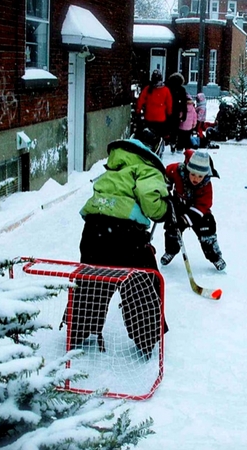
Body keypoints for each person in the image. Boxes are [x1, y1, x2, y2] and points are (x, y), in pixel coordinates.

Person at [69, 129, 170, 359]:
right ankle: (147, 337)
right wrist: (165, 209)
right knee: (142, 281)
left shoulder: (114, 165)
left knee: (92, 280)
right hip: (126, 235)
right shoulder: (147, 167)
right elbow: (149, 197)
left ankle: (79, 328)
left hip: (94, 231)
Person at [161, 150, 226, 271]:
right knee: (171, 229)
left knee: (207, 231)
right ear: (187, 169)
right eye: (193, 174)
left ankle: (215, 257)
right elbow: (167, 174)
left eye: (200, 176)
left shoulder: (206, 185)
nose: (196, 178)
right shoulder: (177, 170)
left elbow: (203, 205)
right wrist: (166, 188)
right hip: (179, 205)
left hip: (198, 212)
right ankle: (171, 251)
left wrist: (185, 220)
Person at [136, 70, 173, 144]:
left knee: (149, 133)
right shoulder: (166, 90)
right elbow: (169, 103)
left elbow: (141, 100)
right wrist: (169, 113)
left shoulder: (148, 89)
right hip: (160, 117)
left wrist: (138, 110)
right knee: (159, 134)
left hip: (149, 116)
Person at [165, 72, 188, 153]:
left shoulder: (167, 88)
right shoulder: (182, 89)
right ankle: (173, 142)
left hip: (167, 110)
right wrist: (184, 114)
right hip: (176, 111)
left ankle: (167, 140)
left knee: (167, 127)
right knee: (175, 128)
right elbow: (184, 103)